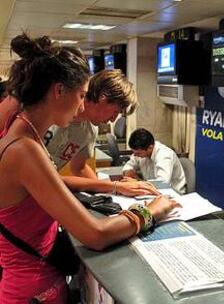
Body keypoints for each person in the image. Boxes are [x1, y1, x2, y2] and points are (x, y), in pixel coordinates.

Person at [0, 33, 178, 303]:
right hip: (31, 289)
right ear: (59, 91)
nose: (82, 105)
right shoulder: (24, 149)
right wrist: (150, 210)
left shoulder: (26, 136)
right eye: (81, 95)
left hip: (42, 279)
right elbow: (96, 235)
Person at [0, 68, 157, 197]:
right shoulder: (44, 114)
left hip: (37, 196)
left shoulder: (89, 131)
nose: (112, 119)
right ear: (103, 98)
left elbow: (79, 168)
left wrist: (106, 196)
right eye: (115, 111)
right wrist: (111, 186)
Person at [122, 128, 187, 194]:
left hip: (172, 193)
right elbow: (129, 164)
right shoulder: (141, 151)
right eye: (134, 153)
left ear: (150, 147)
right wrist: (128, 171)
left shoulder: (164, 155)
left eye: (138, 153)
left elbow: (162, 183)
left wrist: (138, 182)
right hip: (151, 191)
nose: (135, 155)